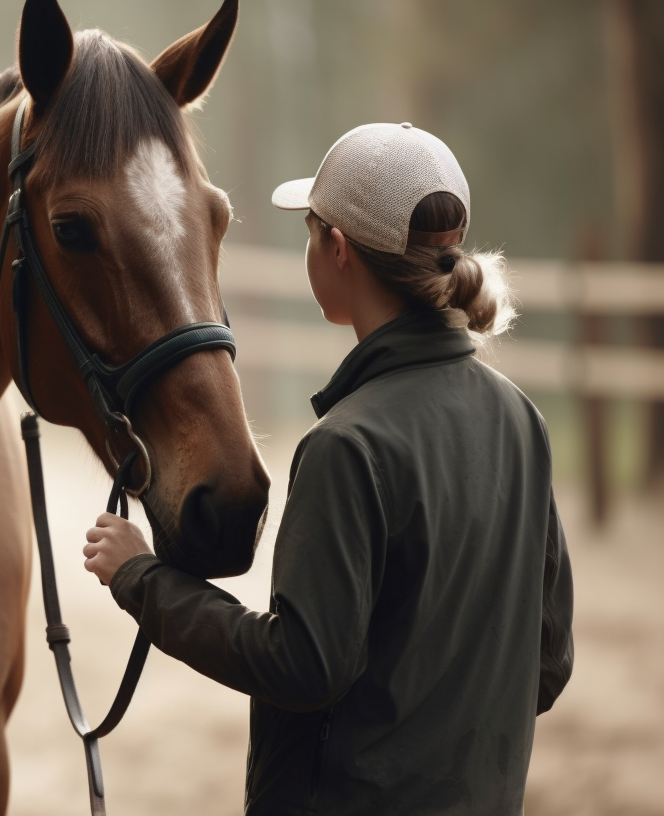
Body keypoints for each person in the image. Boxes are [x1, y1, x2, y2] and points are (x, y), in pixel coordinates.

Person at [81, 122, 574, 815]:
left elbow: (301, 665)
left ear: (336, 249)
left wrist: (141, 579)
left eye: (311, 231)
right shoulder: (525, 422)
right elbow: (547, 665)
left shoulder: (348, 444)